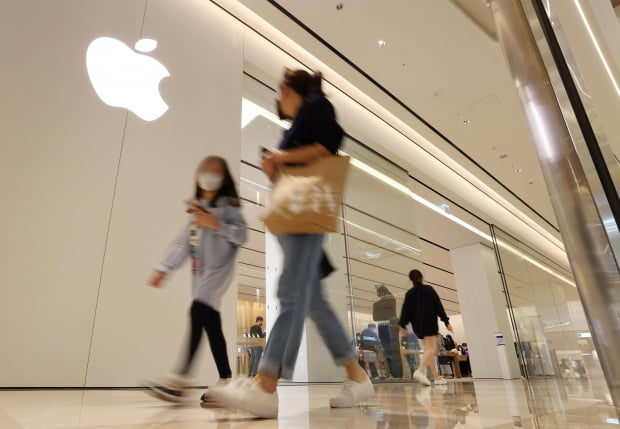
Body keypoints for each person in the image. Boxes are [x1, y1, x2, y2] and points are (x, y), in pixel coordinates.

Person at [211, 69, 374, 418]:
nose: (278, 99)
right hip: (297, 215)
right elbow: (301, 161)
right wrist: (276, 166)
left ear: (287, 88)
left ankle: (265, 384)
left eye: (279, 92)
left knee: (291, 294)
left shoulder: (317, 105)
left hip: (304, 215)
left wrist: (280, 158)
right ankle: (358, 377)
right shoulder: (300, 120)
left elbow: (329, 144)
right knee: (314, 303)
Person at [145, 156, 247, 402]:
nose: (209, 173)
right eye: (205, 169)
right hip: (200, 275)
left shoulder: (230, 208)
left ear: (223, 179)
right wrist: (164, 268)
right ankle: (225, 381)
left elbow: (242, 235)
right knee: (211, 324)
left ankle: (179, 379)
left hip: (219, 271)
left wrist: (216, 224)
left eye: (215, 170)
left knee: (197, 311)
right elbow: (182, 244)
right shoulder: (196, 210)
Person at [399, 269, 453, 386]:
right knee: (430, 349)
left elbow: (405, 310)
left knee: (428, 351)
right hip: (429, 322)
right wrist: (446, 321)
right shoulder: (429, 289)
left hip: (417, 325)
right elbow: (438, 306)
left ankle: (436, 377)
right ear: (422, 277)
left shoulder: (409, 294)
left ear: (411, 280)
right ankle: (419, 371)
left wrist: (403, 324)